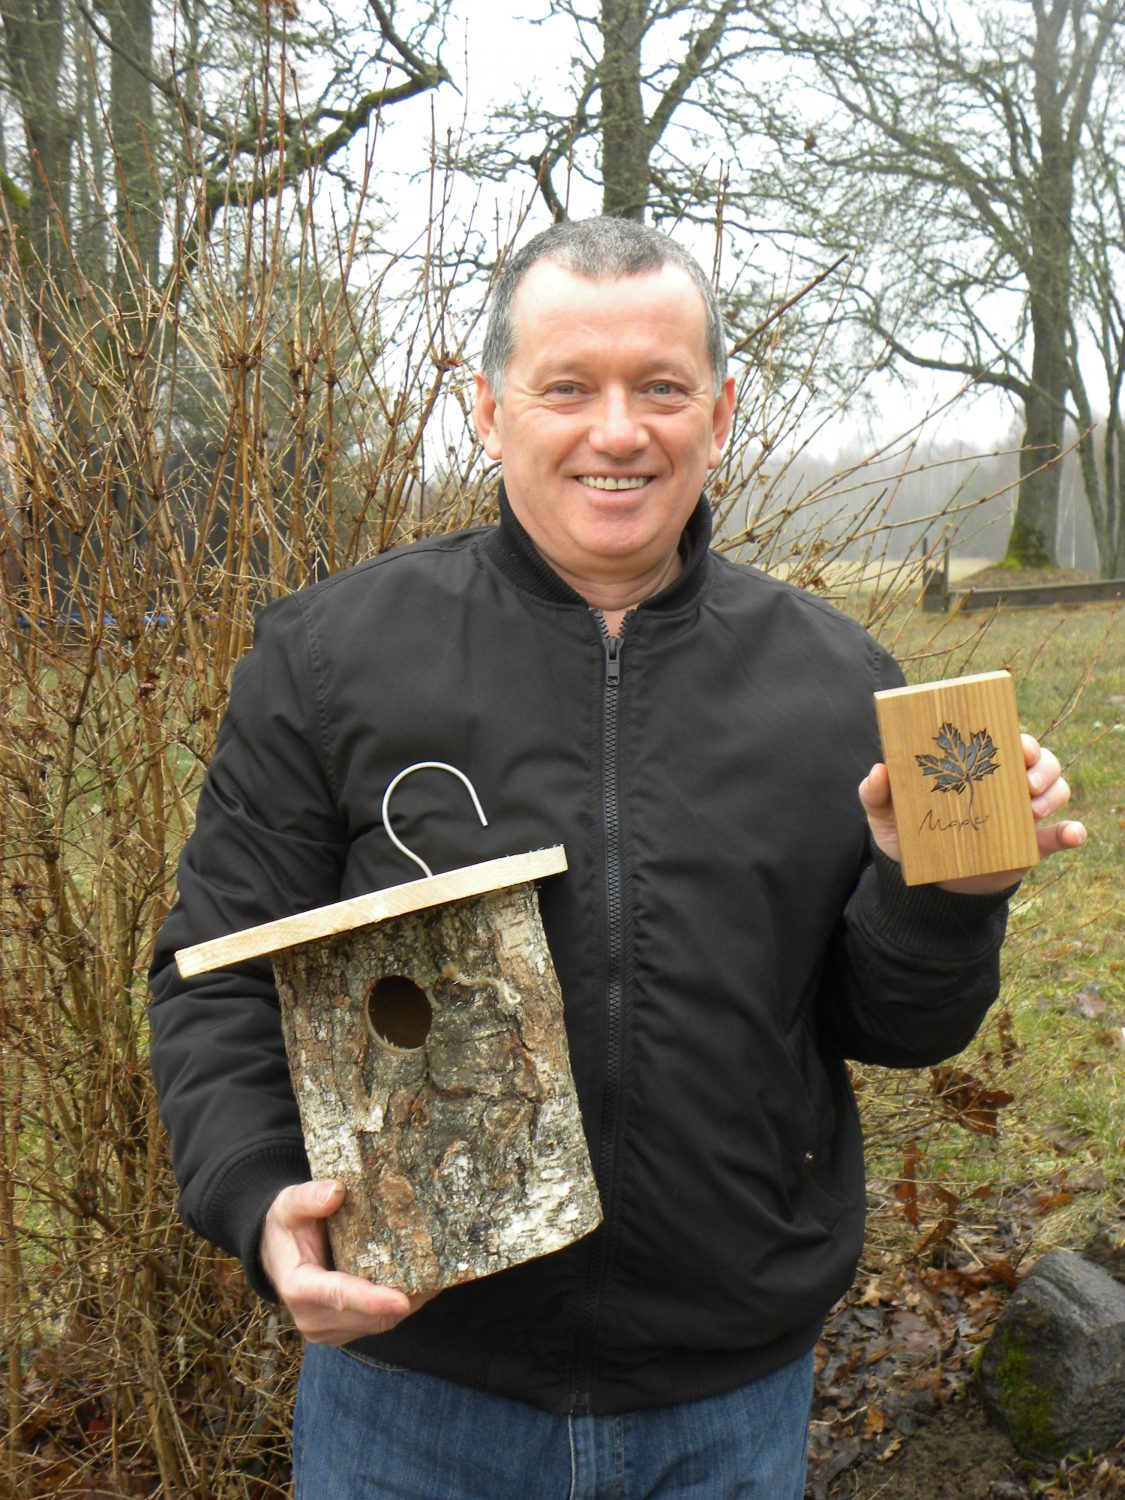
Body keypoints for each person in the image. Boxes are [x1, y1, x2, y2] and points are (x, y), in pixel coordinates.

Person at [148, 217, 1084, 1499]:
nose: (619, 431)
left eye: (661, 388)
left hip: (725, 1407)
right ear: (489, 412)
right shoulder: (328, 661)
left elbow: (898, 1028)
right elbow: (211, 979)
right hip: (413, 1396)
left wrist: (949, 898)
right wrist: (259, 1197)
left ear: (721, 413)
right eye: (567, 388)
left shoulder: (838, 686)